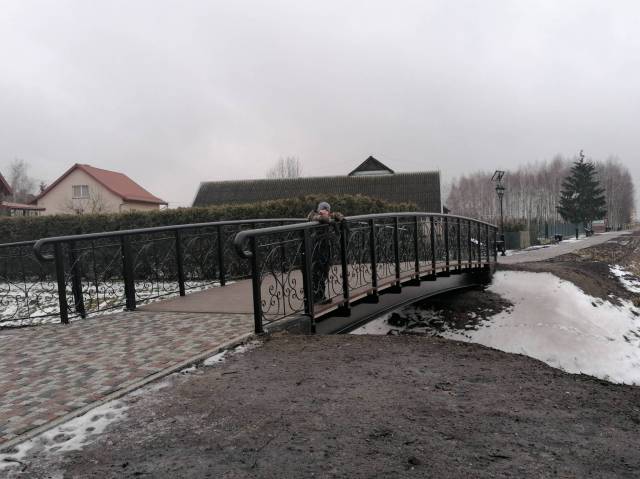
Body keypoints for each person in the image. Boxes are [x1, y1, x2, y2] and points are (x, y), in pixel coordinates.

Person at [307, 202, 344, 304]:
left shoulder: (326, 215)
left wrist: (339, 217)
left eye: (327, 209)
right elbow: (319, 218)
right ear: (319, 209)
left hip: (324, 247)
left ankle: (321, 295)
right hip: (315, 247)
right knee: (316, 271)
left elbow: (336, 215)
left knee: (324, 271)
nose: (325, 211)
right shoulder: (313, 215)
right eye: (323, 209)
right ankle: (316, 297)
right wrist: (328, 218)